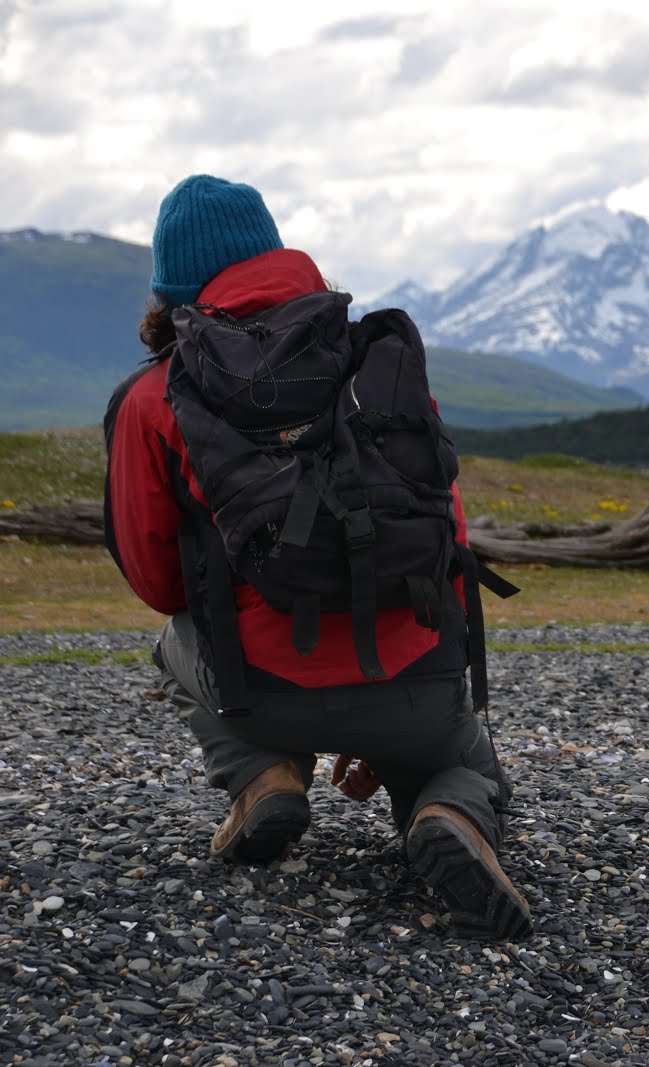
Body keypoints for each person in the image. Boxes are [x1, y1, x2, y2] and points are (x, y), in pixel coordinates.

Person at [103, 174, 533, 939]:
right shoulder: (382, 363)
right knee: (468, 759)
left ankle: (263, 774)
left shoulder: (152, 397)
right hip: (416, 682)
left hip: (259, 689)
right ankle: (447, 806)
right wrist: (389, 717)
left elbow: (158, 579)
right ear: (277, 256)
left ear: (169, 291)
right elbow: (448, 544)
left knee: (171, 642)